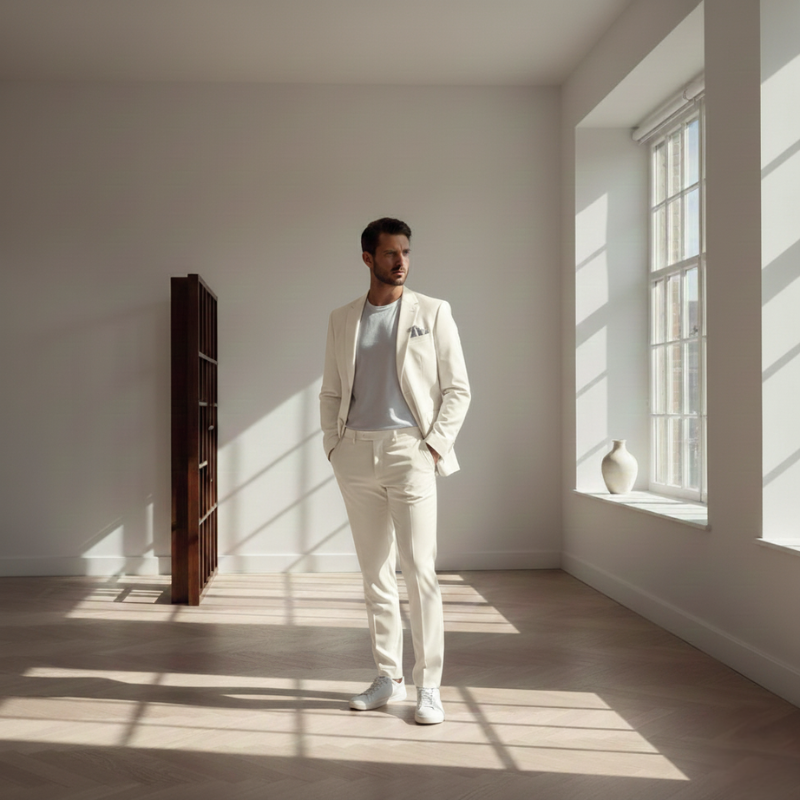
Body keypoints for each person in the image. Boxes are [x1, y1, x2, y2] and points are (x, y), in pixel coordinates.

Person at [320, 217, 470, 724]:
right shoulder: (342, 319)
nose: (400, 261)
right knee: (375, 575)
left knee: (420, 572)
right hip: (355, 455)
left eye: (405, 252)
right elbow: (331, 392)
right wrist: (333, 447)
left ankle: (430, 686)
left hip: (411, 453)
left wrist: (431, 448)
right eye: (390, 253)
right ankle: (389, 676)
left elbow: (458, 389)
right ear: (368, 258)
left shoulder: (433, 311)